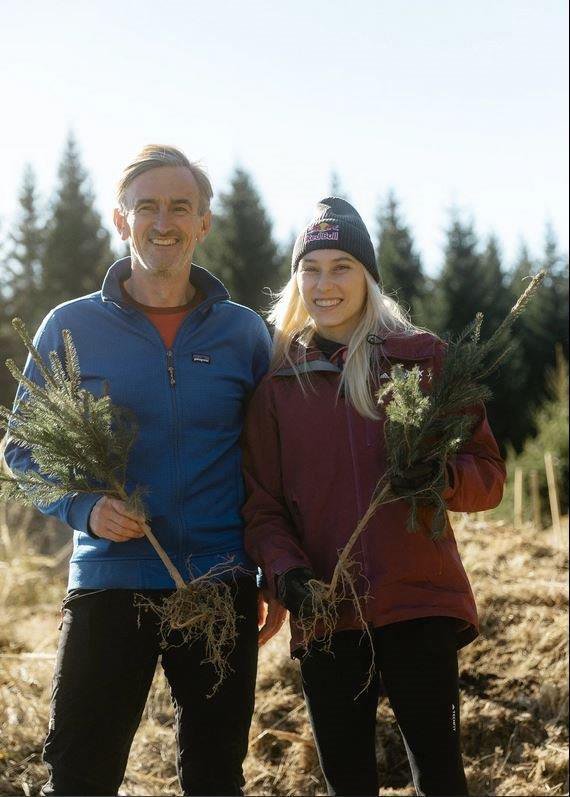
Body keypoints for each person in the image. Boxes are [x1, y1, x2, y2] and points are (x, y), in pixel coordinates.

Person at [4, 145, 286, 797]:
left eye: (180, 206)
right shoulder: (70, 327)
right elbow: (21, 449)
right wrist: (85, 508)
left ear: (204, 222)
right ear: (119, 219)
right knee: (78, 776)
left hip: (219, 583)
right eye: (148, 206)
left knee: (216, 778)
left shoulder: (244, 334)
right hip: (110, 580)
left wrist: (272, 567)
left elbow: (271, 464)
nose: (165, 221)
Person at [242, 197, 506, 796]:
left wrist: (438, 479)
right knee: (348, 782)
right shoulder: (278, 382)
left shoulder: (423, 360)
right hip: (327, 608)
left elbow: (488, 475)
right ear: (295, 279)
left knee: (440, 776)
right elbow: (261, 505)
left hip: (417, 598)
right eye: (312, 267)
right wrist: (287, 576)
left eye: (342, 267)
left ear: (368, 277)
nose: (325, 283)